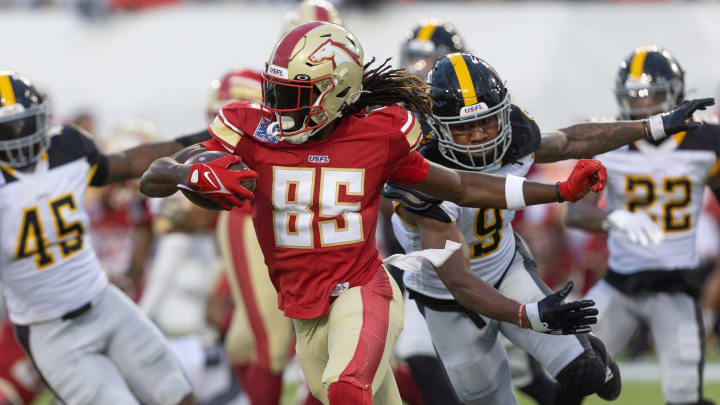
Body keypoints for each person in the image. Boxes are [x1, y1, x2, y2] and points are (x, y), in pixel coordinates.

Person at [138, 22, 611, 405]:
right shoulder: (252, 128)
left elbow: (463, 187)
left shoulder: (379, 135)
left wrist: (557, 190)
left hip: (363, 293)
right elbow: (153, 176)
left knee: (347, 390)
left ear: (336, 91)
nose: (279, 109)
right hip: (304, 307)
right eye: (276, 92)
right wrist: (185, 177)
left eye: (294, 96)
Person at [384, 51, 712, 405]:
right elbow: (460, 282)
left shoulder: (511, 132)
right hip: (449, 302)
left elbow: (569, 141)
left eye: (487, 122)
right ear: (437, 126)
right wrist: (527, 315)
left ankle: (586, 357)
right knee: (488, 399)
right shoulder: (418, 172)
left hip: (507, 269)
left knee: (582, 373)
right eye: (464, 128)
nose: (479, 135)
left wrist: (653, 126)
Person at [0, 71, 197, 405]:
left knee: (177, 396)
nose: (18, 137)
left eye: (24, 125)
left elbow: (129, 162)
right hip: (49, 330)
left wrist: (206, 138)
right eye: (8, 129)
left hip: (104, 301)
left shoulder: (66, 148)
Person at [565, 45, 720, 405]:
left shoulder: (706, 141)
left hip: (676, 287)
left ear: (677, 94)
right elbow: (575, 213)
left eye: (653, 95)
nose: (644, 106)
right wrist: (613, 218)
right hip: (618, 285)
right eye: (634, 97)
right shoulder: (608, 141)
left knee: (684, 395)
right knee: (569, 374)